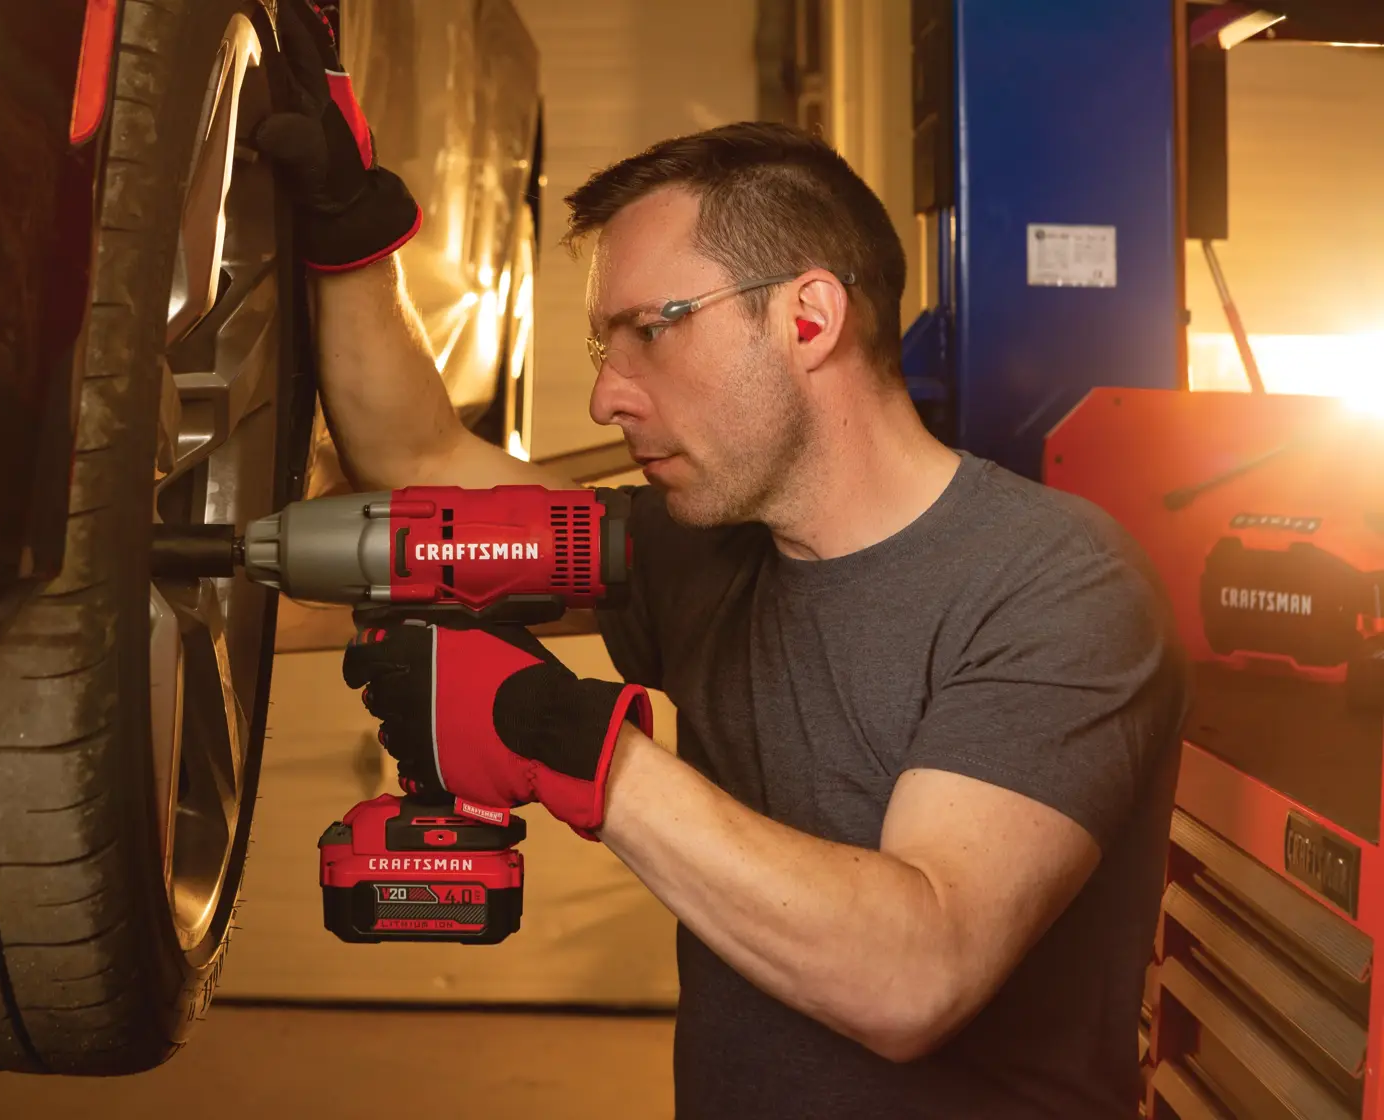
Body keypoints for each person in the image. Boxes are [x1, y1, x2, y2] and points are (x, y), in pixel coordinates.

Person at [254, 3, 1188, 1116]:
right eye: (607, 346)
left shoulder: (1055, 586)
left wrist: (569, 745)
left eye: (653, 329)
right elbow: (418, 464)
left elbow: (916, 972)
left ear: (807, 320)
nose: (606, 391)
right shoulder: (697, 551)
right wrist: (354, 237)